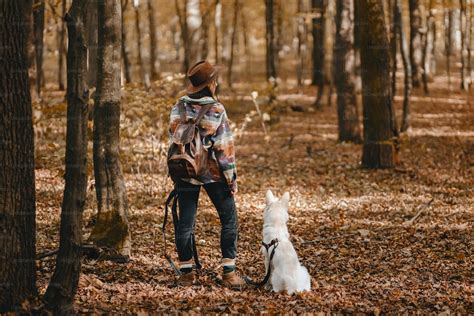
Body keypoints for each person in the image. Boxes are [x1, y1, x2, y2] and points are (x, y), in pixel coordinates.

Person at [168, 60, 245, 289]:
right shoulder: (216, 109)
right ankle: (229, 274)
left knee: (185, 223)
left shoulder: (178, 106)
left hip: (184, 170)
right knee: (228, 219)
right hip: (212, 173)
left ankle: (186, 274)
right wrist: (231, 180)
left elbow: (174, 137)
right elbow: (224, 148)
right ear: (211, 83)